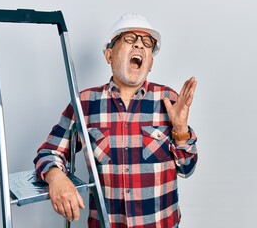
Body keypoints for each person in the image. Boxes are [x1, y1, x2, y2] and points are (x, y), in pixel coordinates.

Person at [34, 13, 198, 228]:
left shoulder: (169, 100)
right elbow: (49, 152)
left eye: (147, 43)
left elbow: (187, 169)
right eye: (129, 39)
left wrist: (180, 129)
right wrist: (56, 177)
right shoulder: (84, 103)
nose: (139, 45)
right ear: (109, 55)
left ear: (150, 63)